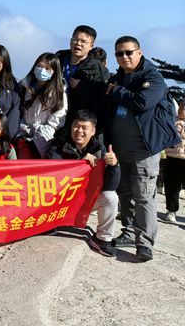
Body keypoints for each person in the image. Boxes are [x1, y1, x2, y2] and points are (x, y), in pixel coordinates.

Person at [106, 36, 179, 261]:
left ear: (139, 52)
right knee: (124, 193)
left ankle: (144, 243)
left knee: (144, 196)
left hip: (143, 149)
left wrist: (116, 91)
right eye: (119, 53)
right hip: (119, 148)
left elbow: (142, 103)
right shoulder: (118, 77)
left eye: (129, 52)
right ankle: (128, 232)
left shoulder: (153, 77)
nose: (124, 57)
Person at [47, 110, 121, 257]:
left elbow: (110, 186)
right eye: (76, 126)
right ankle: (48, 223)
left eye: (84, 128)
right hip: (60, 201)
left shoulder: (100, 149)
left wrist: (114, 165)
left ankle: (102, 239)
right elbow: (51, 176)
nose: (79, 131)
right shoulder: (57, 145)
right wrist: (79, 163)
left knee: (111, 197)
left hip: (84, 201)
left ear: (93, 131)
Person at [56, 25, 109, 130]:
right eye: (75, 40)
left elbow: (101, 97)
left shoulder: (97, 68)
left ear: (91, 46)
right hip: (53, 116)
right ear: (70, 41)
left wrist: (81, 86)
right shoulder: (58, 59)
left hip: (78, 121)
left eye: (83, 41)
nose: (78, 44)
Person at [17, 53, 67, 158]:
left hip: (44, 139)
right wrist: (22, 133)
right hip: (22, 136)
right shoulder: (23, 87)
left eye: (47, 68)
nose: (42, 70)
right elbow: (19, 113)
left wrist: (37, 137)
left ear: (54, 72)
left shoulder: (59, 93)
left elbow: (56, 121)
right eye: (39, 66)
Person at [162, 100, 185, 223]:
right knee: (171, 186)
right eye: (180, 108)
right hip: (172, 158)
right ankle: (171, 211)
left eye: (183, 108)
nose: (180, 111)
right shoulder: (172, 121)